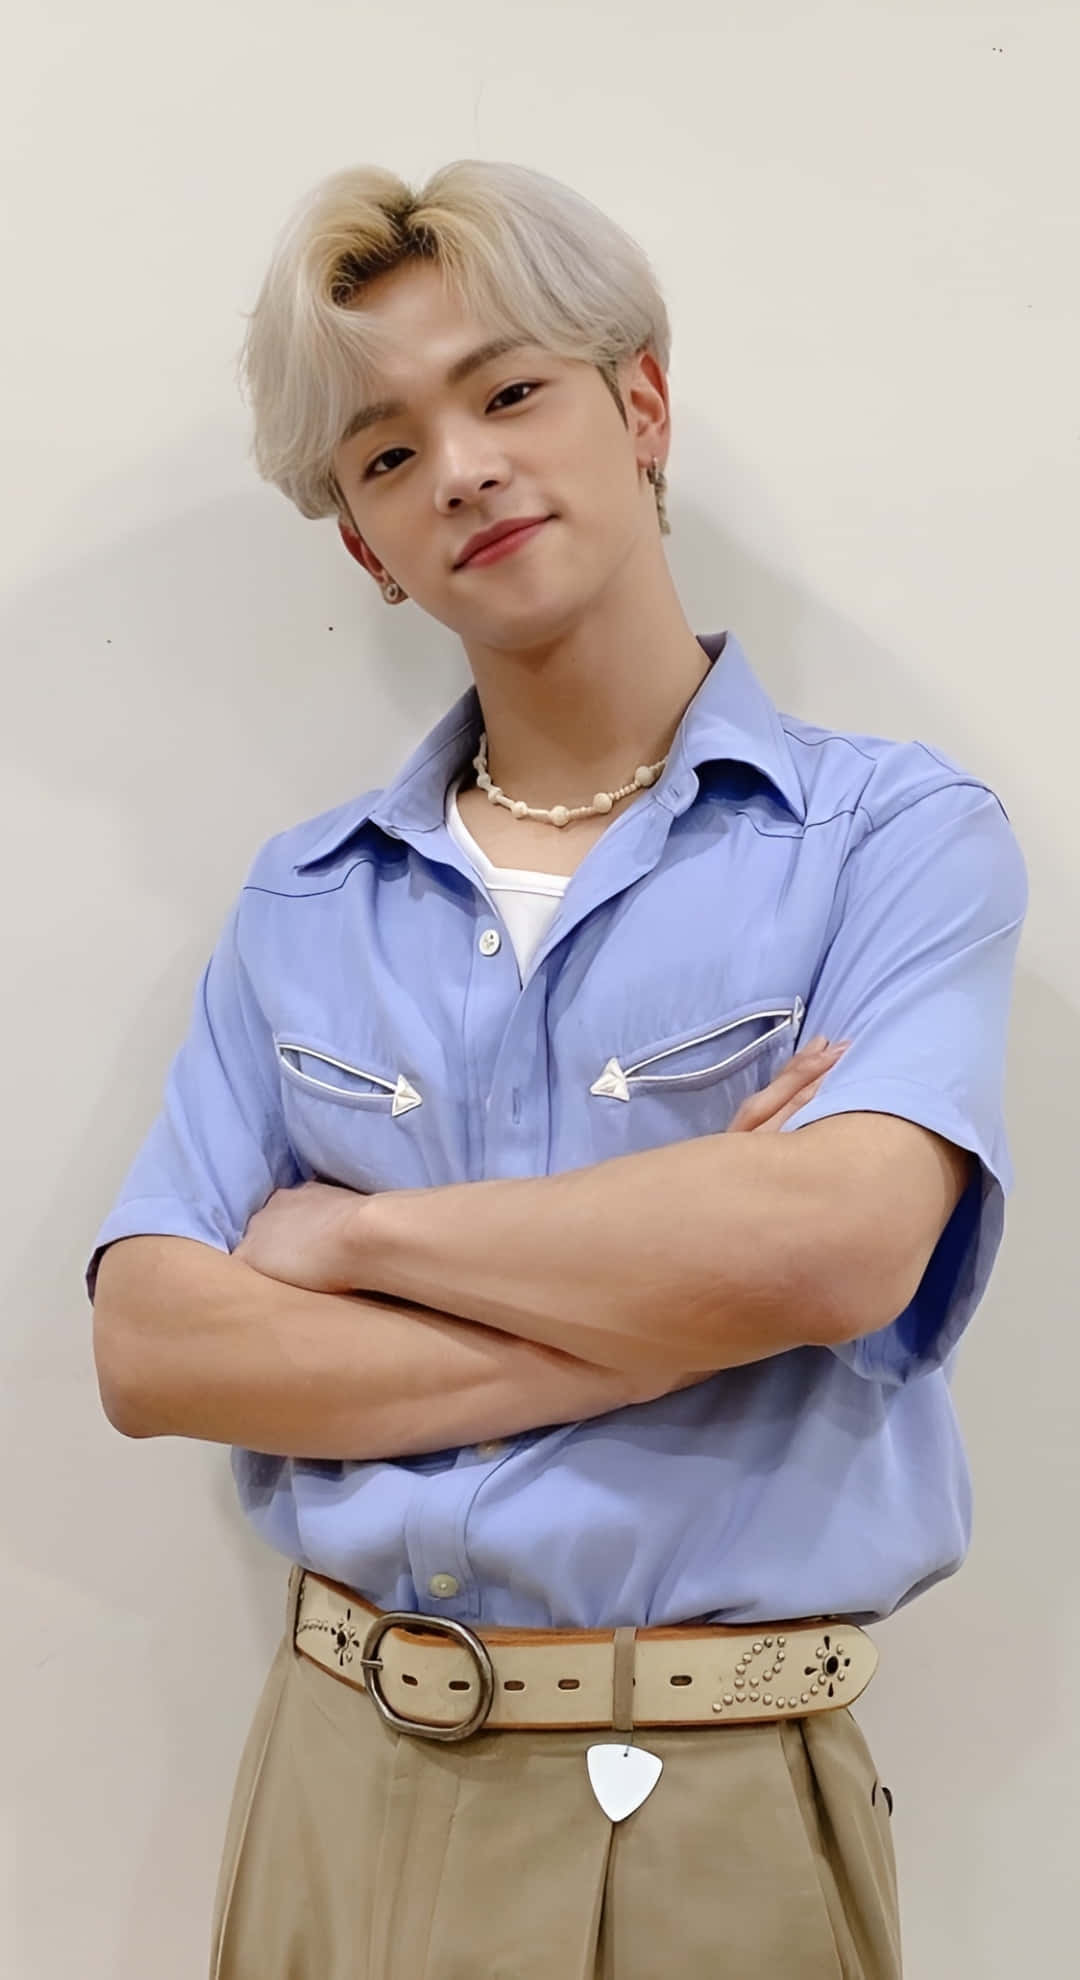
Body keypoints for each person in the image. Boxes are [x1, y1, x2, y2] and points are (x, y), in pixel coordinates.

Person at [87, 159, 1028, 1979]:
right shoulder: (304, 903)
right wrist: (684, 1299)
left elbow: (838, 1250)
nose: (461, 467)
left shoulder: (890, 838)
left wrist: (353, 1243)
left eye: (510, 390)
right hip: (336, 1771)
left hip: (715, 1796)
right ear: (366, 547)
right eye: (386, 453)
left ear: (641, 403)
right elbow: (155, 1346)